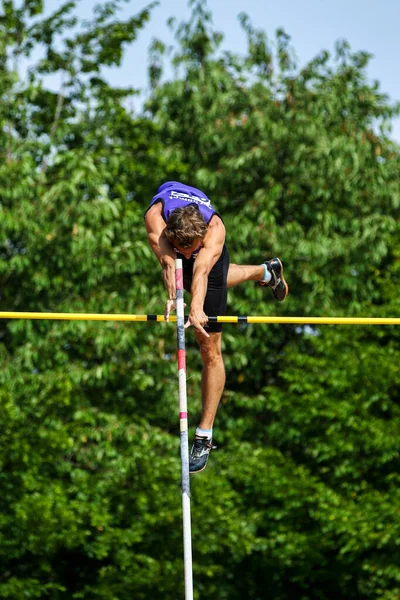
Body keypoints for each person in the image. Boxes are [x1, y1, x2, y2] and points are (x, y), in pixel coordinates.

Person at [144, 181, 288, 474]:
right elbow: (171, 264)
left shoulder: (214, 231)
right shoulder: (155, 221)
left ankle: (204, 435)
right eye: (181, 249)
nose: (187, 254)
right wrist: (174, 299)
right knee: (183, 266)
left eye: (191, 249)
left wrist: (196, 309)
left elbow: (201, 271)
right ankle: (265, 271)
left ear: (201, 239)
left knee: (207, 342)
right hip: (180, 243)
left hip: (210, 260)